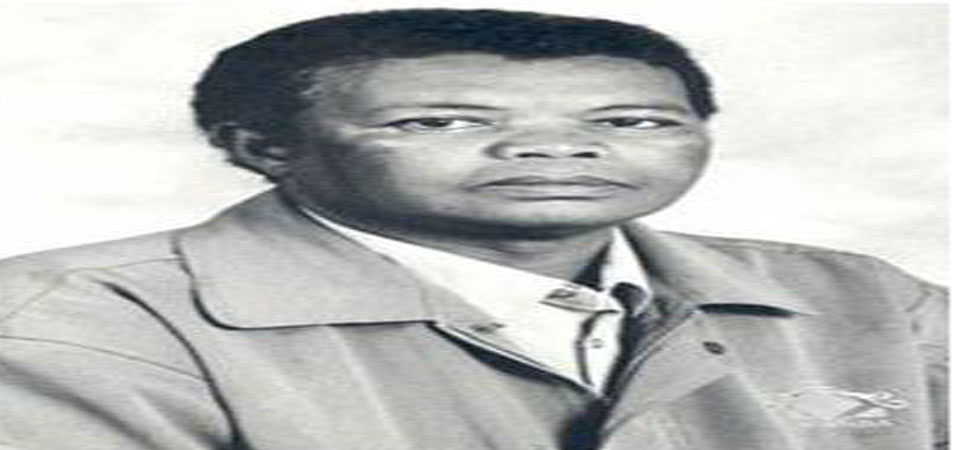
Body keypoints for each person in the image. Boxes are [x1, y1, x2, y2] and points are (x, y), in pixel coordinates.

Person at [0, 8, 946, 450]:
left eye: (631, 120)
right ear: (260, 147)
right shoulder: (68, 322)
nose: (554, 151)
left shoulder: (867, 300)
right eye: (442, 122)